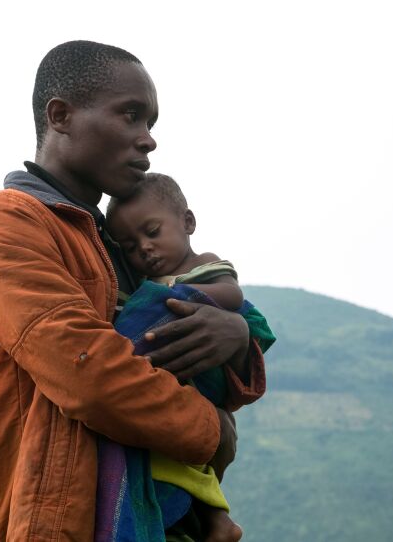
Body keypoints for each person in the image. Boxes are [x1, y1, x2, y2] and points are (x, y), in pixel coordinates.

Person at [0, 40, 267, 541]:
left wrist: (235, 333)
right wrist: (210, 430)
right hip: (42, 526)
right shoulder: (5, 223)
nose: (148, 140)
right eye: (131, 116)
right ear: (61, 116)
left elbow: (184, 359)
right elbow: (87, 370)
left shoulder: (122, 246)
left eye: (151, 124)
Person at [105, 172, 276, 542]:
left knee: (187, 457)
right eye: (130, 247)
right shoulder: (141, 282)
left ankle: (217, 518)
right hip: (174, 392)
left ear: (187, 222)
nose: (144, 249)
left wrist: (172, 295)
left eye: (152, 232)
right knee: (174, 463)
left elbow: (231, 295)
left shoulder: (201, 264)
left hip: (199, 381)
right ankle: (215, 520)